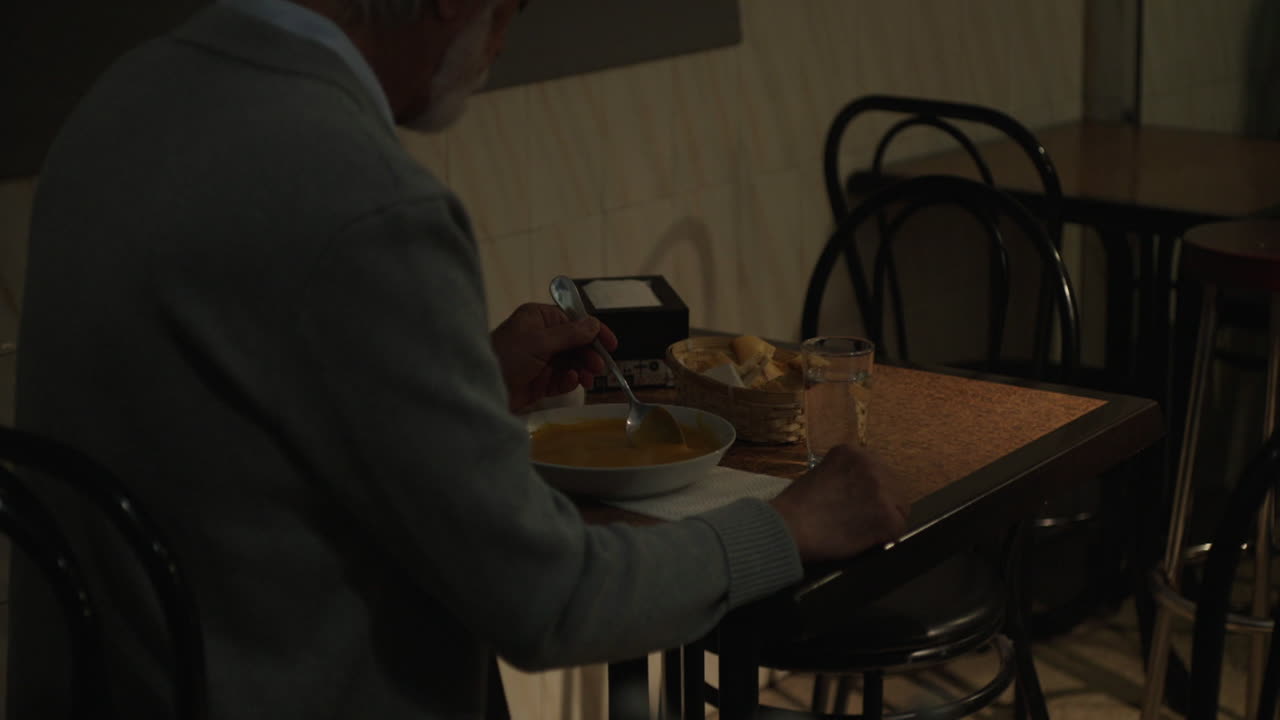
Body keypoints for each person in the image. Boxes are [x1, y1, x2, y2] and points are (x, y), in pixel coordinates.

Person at [8, 0, 909, 717]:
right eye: (510, 7)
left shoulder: (119, 102)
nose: (502, 41)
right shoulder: (369, 206)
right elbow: (548, 598)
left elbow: (237, 422)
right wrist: (786, 525)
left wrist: (462, 378)